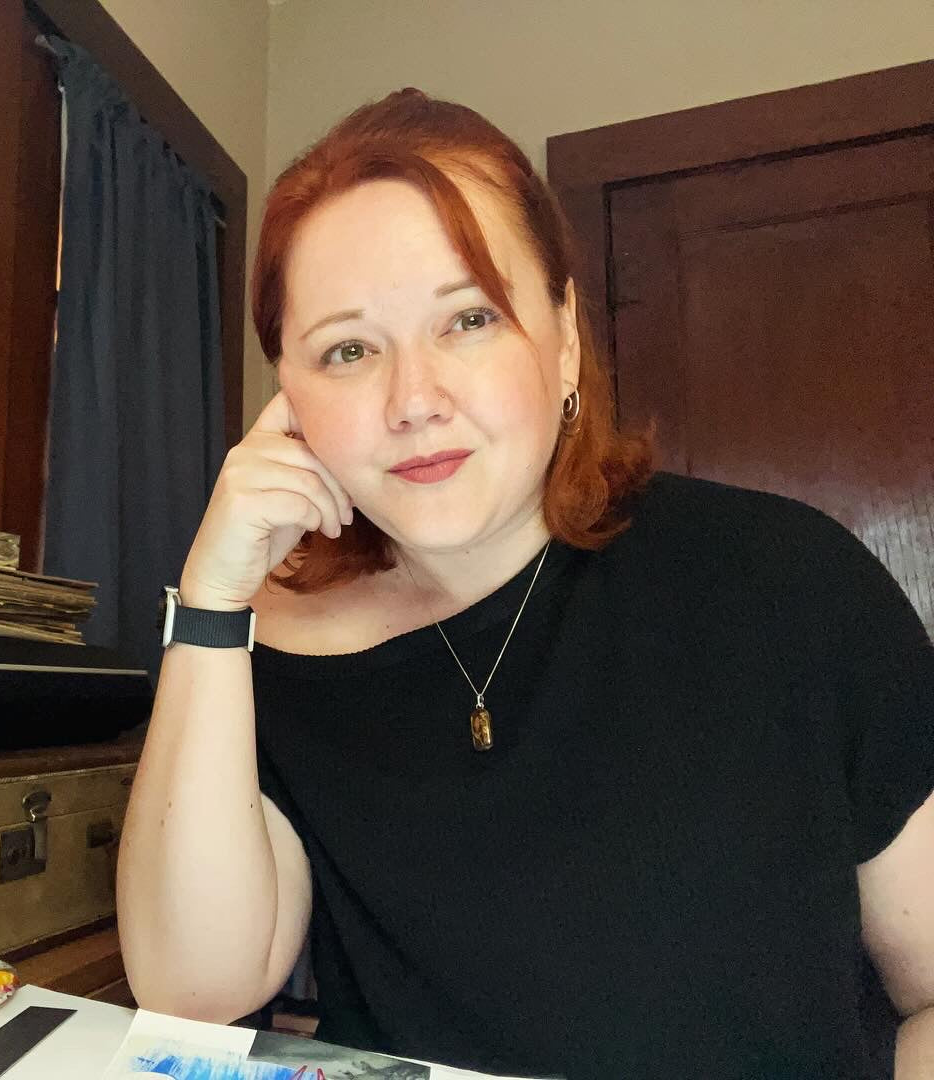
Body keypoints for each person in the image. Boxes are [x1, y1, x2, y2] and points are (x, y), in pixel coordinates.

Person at [117, 89, 934, 1079]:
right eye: (347, 349)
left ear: (565, 339)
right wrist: (213, 600)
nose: (413, 400)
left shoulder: (792, 587)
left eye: (468, 319)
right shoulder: (277, 654)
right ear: (287, 399)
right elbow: (194, 989)